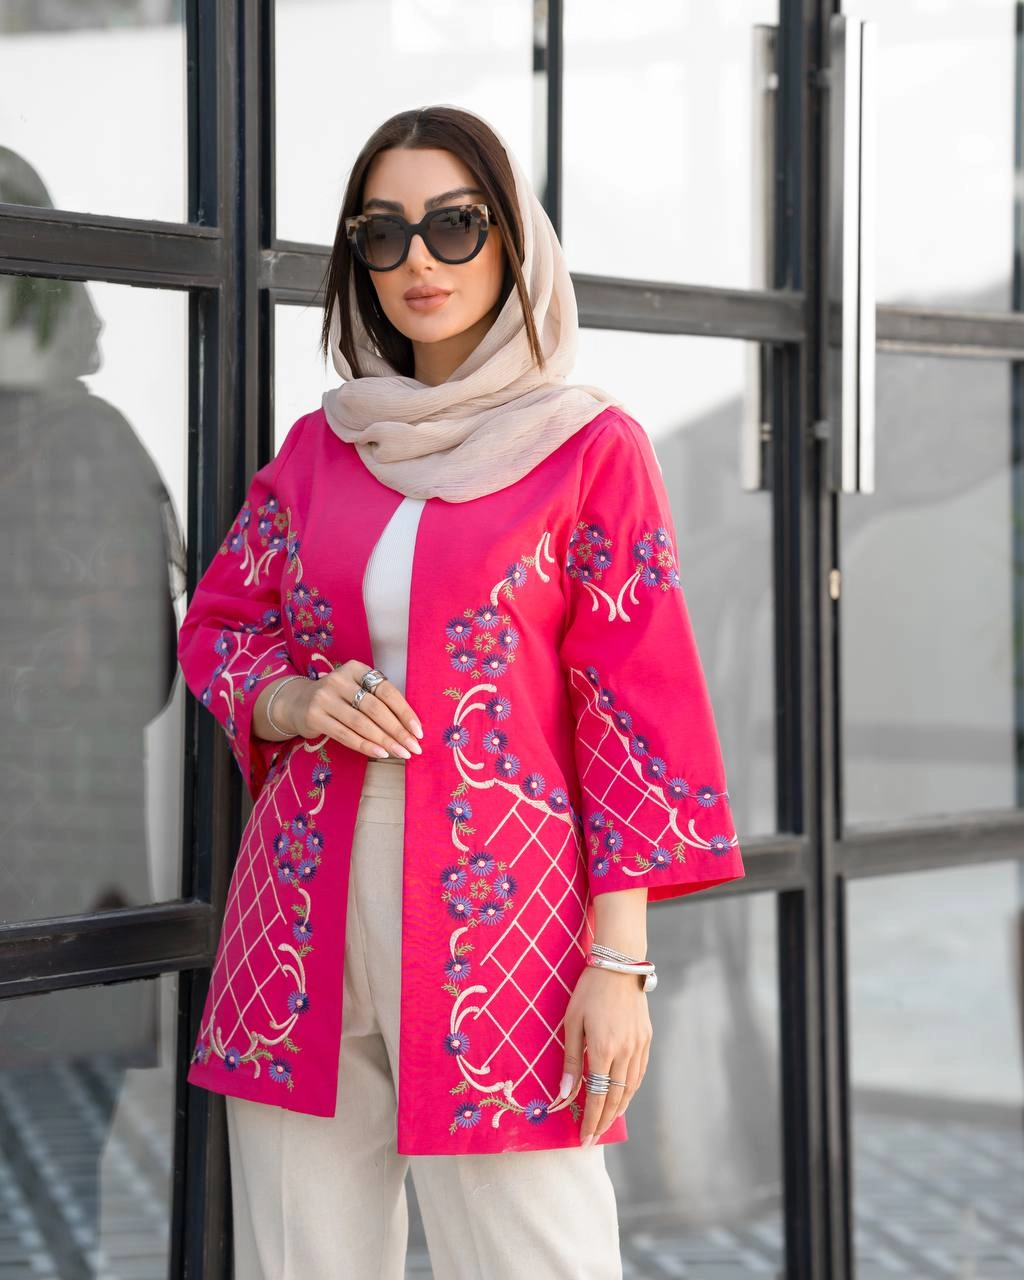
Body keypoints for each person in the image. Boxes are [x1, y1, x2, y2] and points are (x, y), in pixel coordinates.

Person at [178, 105, 745, 1280]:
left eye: (454, 223)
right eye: (382, 233)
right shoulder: (323, 449)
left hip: (505, 923)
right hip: (295, 915)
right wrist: (290, 699)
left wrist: (619, 964)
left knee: (537, 1256)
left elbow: (635, 714)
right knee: (302, 1259)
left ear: (512, 239)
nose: (418, 259)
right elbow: (223, 622)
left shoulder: (588, 449)